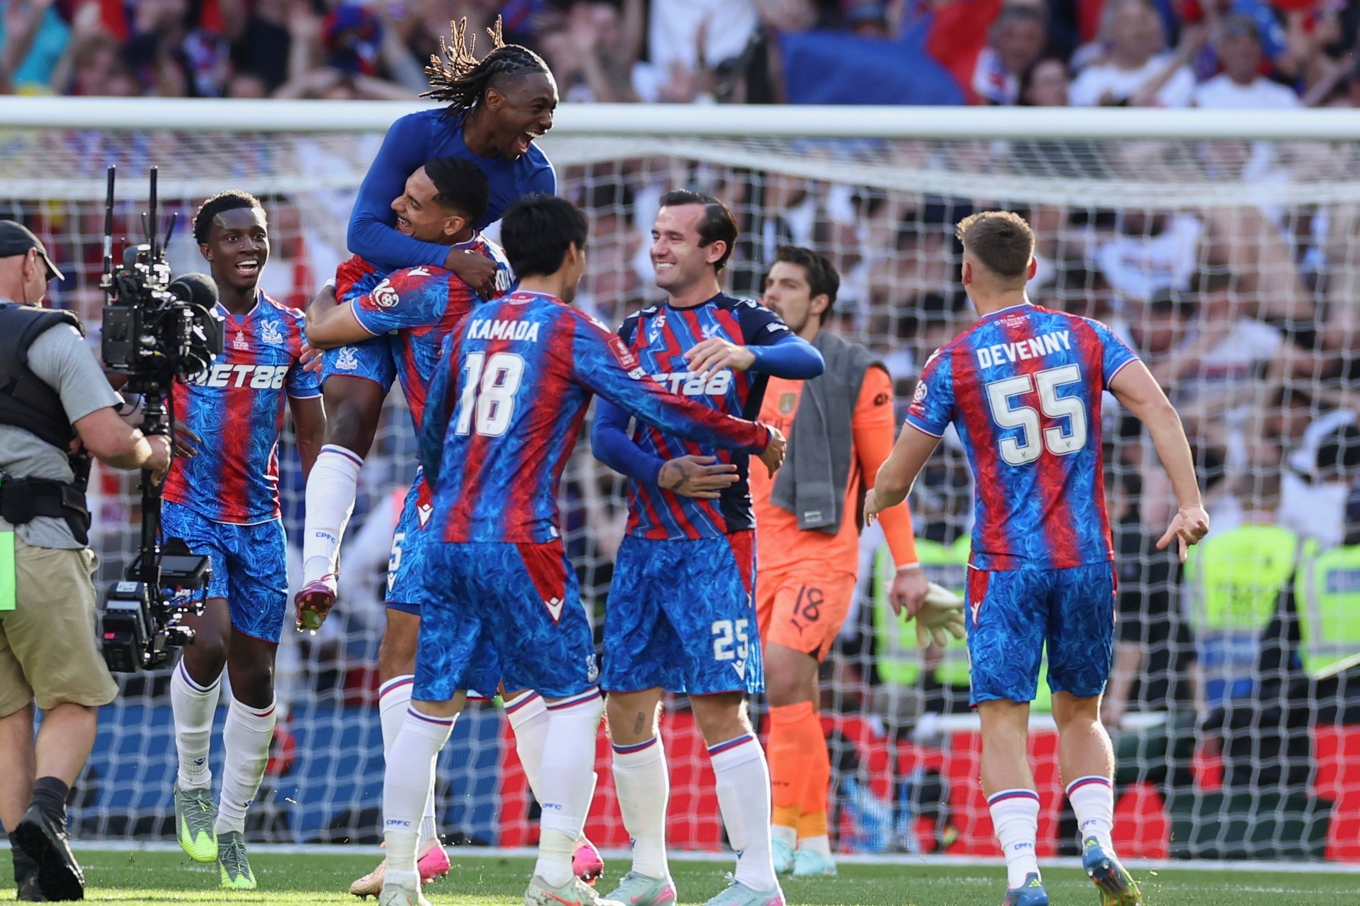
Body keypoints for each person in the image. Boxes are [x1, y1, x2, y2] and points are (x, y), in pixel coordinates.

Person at [377, 194, 785, 906]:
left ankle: (402, 875)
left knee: (428, 706)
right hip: (521, 538)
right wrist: (754, 435)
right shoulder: (571, 329)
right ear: (572, 255)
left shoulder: (470, 326)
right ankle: (557, 871)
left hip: (444, 536)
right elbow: (653, 401)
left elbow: (433, 430)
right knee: (573, 701)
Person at [864, 211, 1209, 906]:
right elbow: (1161, 411)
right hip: (1087, 558)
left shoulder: (953, 361)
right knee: (1082, 713)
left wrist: (872, 497)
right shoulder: (1087, 336)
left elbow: (899, 479)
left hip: (1004, 563)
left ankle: (1023, 871)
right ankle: (1099, 839)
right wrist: (1189, 503)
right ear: (1032, 267)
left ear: (965, 273)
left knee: (1004, 718)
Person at [590, 192, 824, 906]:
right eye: (655, 234)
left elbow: (805, 357)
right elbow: (604, 434)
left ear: (713, 249)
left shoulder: (746, 320)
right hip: (643, 539)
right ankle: (651, 873)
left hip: (716, 541)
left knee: (719, 703)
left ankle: (759, 877)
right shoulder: (632, 328)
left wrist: (749, 353)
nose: (658, 246)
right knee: (626, 703)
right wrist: (660, 472)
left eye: (674, 237)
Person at [303, 155, 523, 895]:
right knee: (525, 668)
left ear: (453, 224)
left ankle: (415, 847)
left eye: (416, 200)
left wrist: (331, 289)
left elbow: (326, 331)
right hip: (521, 495)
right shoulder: (508, 278)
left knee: (407, 663)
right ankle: (572, 849)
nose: (397, 205)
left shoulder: (422, 286)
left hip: (446, 494)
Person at [297, 14, 557, 625]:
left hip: (442, 308)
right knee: (353, 413)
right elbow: (365, 230)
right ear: (494, 101)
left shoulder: (534, 176)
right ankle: (319, 571)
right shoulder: (417, 132)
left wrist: (465, 275)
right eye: (537, 107)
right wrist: (445, 258)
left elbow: (514, 267)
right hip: (384, 284)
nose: (546, 122)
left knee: (442, 435)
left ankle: (463, 569)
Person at [0, 222, 172, 902]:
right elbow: (107, 440)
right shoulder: (50, 334)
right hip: (36, 535)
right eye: (44, 271)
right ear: (28, 265)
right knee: (74, 699)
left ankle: (29, 871)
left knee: (6, 716)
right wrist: (150, 449)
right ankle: (48, 812)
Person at [164, 192, 324, 890]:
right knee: (210, 640)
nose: (247, 246)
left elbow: (315, 434)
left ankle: (231, 826)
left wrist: (323, 539)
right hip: (185, 510)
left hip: (260, 524)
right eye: (230, 236)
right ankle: (191, 777)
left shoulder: (291, 332)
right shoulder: (178, 326)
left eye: (255, 234)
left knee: (256, 678)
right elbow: (122, 393)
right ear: (206, 248)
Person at [749, 246, 924, 877]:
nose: (773, 294)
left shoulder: (856, 370)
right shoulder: (751, 366)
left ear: (819, 300)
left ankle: (775, 829)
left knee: (784, 672)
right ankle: (815, 838)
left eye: (788, 285)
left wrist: (906, 566)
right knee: (789, 695)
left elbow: (886, 478)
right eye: (769, 282)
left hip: (824, 553)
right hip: (759, 553)